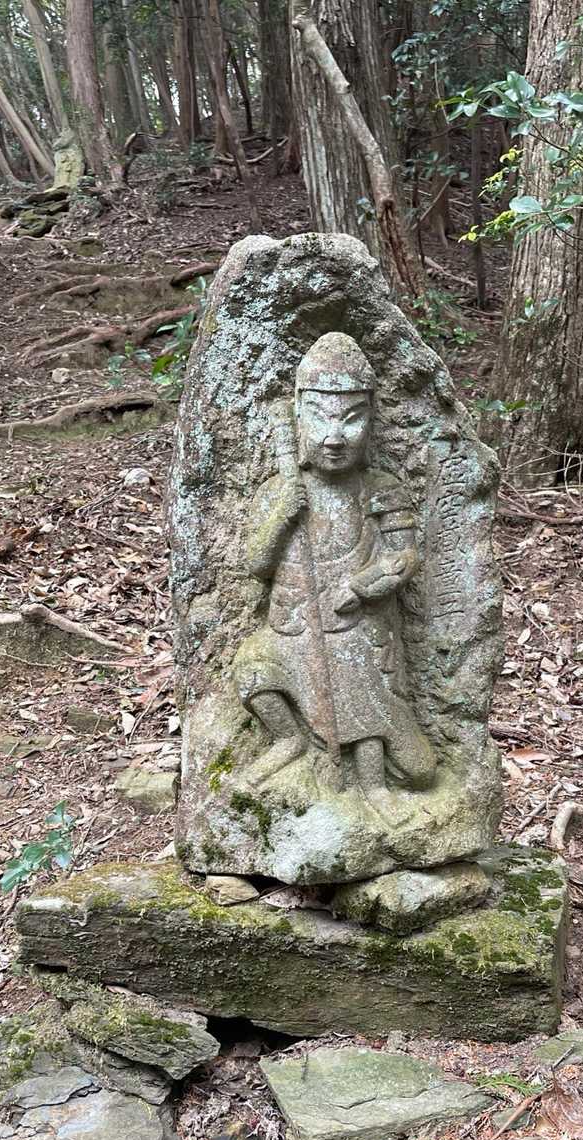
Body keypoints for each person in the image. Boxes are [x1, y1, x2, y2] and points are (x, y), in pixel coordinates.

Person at [232, 331, 435, 823]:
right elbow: (257, 566)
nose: (334, 436)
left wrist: (363, 587)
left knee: (375, 713)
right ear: (299, 418)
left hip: (354, 629)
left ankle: (374, 784)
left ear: (372, 420)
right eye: (320, 418)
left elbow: (405, 557)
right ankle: (288, 741)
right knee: (253, 671)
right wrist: (282, 517)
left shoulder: (379, 489)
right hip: (291, 628)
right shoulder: (279, 491)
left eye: (351, 419)